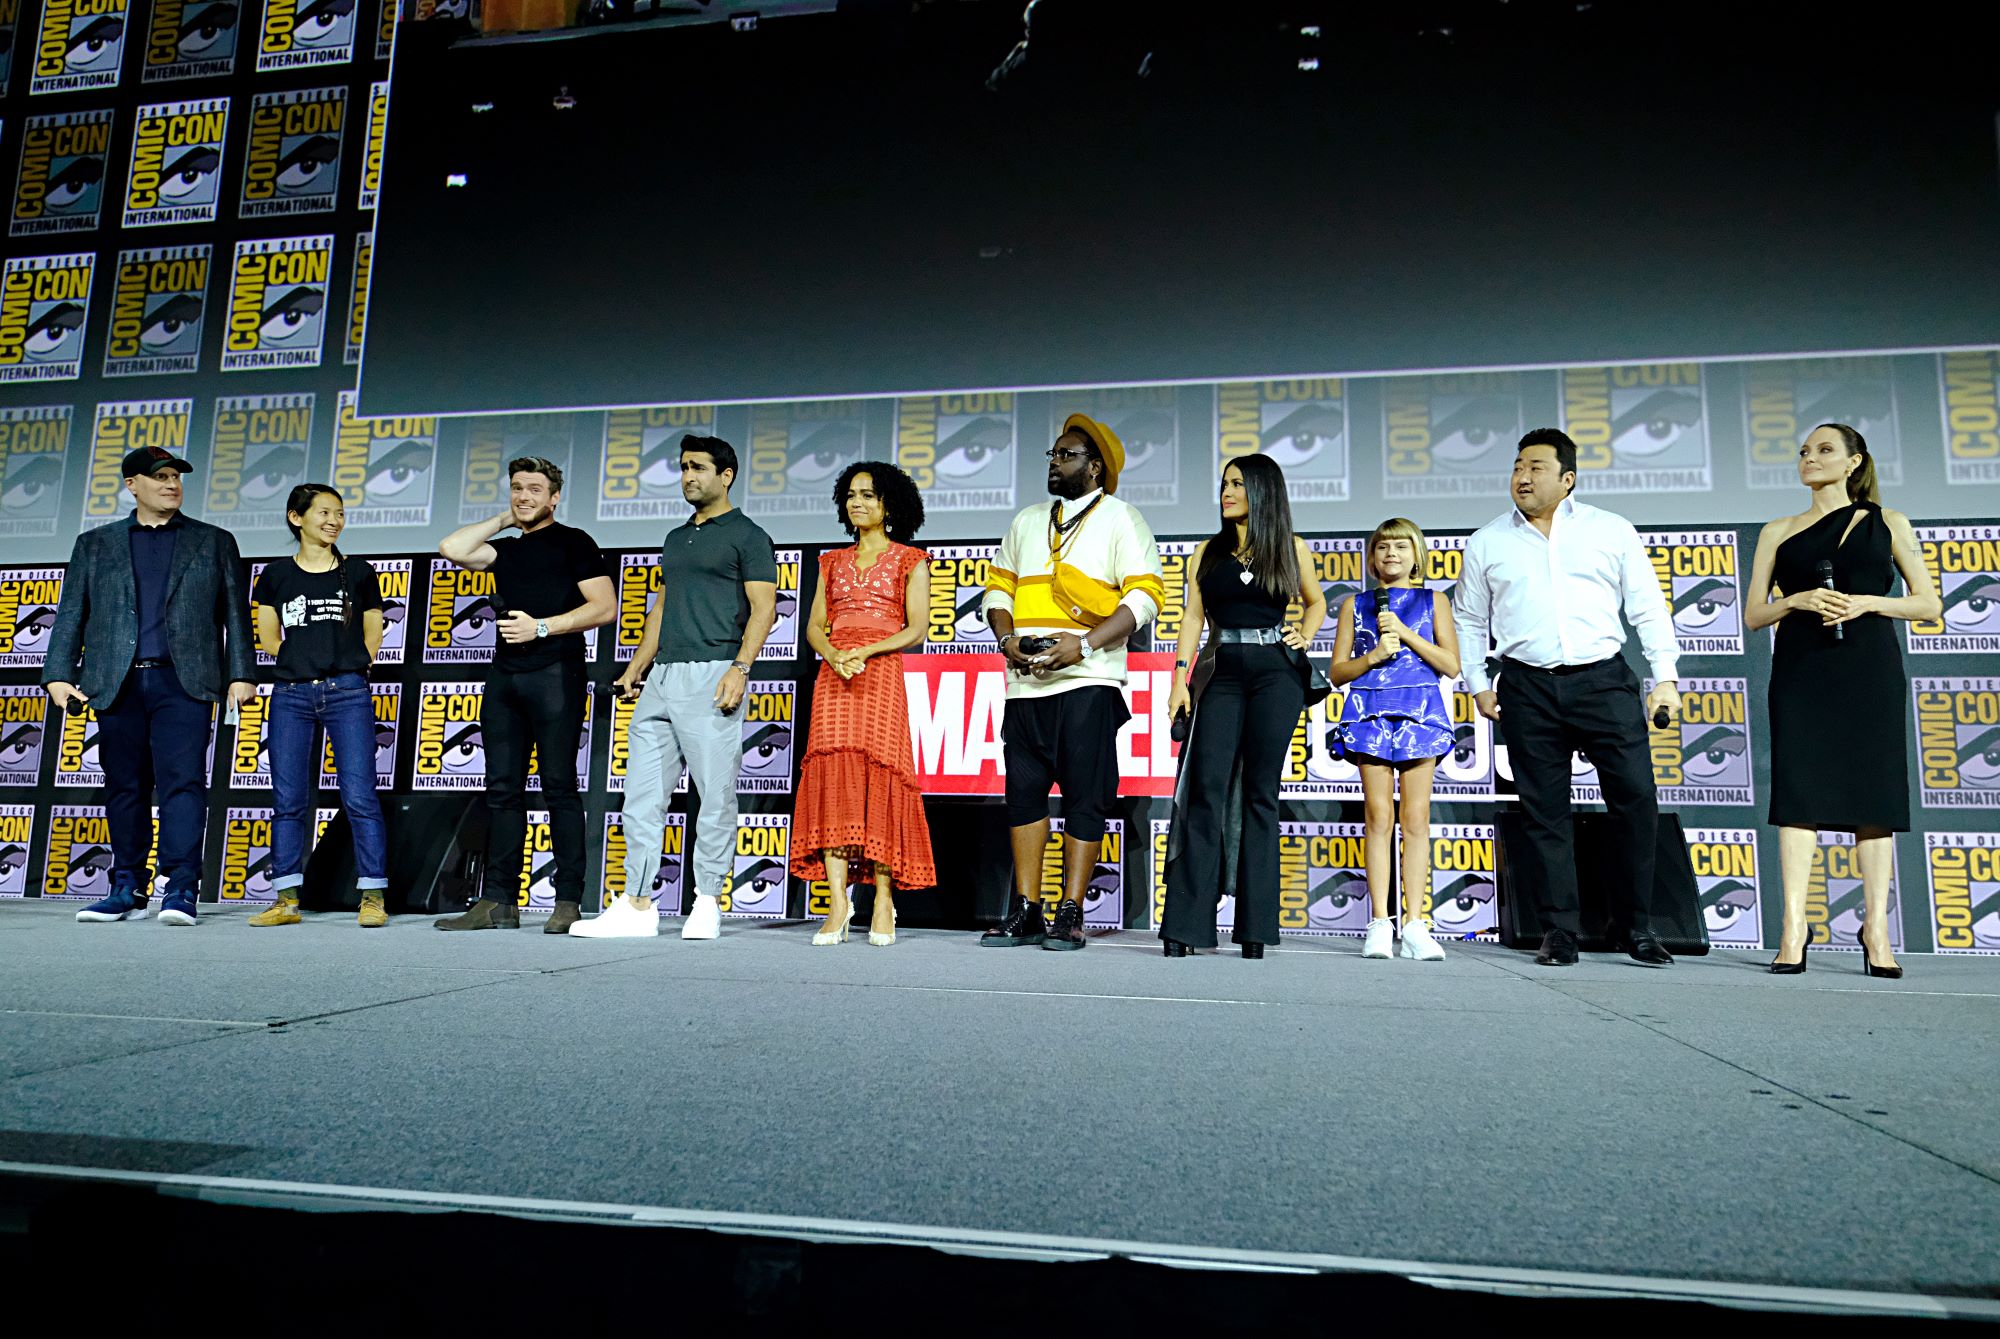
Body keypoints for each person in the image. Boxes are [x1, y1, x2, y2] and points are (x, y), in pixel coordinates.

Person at [1455, 428, 1682, 968]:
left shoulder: (1611, 530)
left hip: (1603, 680)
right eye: (1516, 467)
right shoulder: (1488, 541)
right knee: (1543, 813)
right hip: (1527, 685)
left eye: (1535, 467)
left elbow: (1647, 606)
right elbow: (1467, 619)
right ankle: (1558, 930)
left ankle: (1637, 927)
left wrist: (1665, 677)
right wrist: (1478, 684)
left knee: (1634, 799)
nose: (1523, 477)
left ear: (1568, 478)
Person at [1745, 423, 1937, 978]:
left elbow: (1927, 604)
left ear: (1854, 461)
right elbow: (1754, 615)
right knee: (1799, 797)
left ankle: (1875, 927)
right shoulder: (1777, 530)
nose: (1810, 457)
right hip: (1803, 672)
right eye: (1804, 450)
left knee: (1873, 799)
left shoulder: (1888, 523)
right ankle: (1793, 927)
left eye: (1824, 450)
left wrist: (1866, 604)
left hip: (1868, 672)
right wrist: (1797, 598)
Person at [571, 436, 778, 940]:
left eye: (698, 467)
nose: (688, 476)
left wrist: (741, 667)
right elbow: (660, 610)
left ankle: (706, 899)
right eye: (683, 467)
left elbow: (764, 609)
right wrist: (635, 669)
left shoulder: (748, 536)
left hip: (714, 673)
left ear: (725, 475)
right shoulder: (675, 537)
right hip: (662, 677)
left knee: (715, 795)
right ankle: (639, 904)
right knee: (640, 798)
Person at [42, 445, 257, 926]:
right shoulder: (94, 544)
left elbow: (236, 616)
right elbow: (71, 613)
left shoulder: (214, 541)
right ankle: (125, 887)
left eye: (176, 477)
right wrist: (58, 673)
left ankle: (180, 888)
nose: (171, 484)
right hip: (115, 682)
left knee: (183, 784)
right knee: (124, 787)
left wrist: (241, 673)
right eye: (159, 476)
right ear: (131, 484)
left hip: (185, 682)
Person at [980, 413, 1165, 952]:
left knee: (1086, 798)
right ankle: (1028, 909)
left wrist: (1081, 645)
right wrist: (1007, 639)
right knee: (1023, 798)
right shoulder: (1027, 520)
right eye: (1053, 455)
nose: (1055, 463)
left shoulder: (1122, 519)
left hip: (1090, 679)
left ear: (1096, 467)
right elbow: (998, 591)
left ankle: (1070, 912)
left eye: (1066, 455)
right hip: (1024, 684)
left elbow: (1144, 599)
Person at [434, 457, 616, 934]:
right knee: (502, 791)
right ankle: (498, 901)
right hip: (505, 676)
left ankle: (569, 900)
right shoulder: (507, 550)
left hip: (555, 673)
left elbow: (605, 607)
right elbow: (450, 546)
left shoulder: (575, 542)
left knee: (558, 787)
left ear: (554, 498)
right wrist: (503, 519)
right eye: (517, 488)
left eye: (535, 489)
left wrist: (541, 627)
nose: (524, 496)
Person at [1159, 454, 1325, 958]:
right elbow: (1192, 618)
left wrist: (1305, 634)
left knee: (1260, 794)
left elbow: (1315, 602)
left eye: (1237, 484)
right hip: (1221, 671)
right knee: (1206, 790)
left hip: (1277, 673)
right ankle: (1186, 928)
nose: (1226, 491)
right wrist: (1178, 678)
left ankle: (1255, 930)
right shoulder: (1205, 553)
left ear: (1262, 491)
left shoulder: (1291, 549)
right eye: (1224, 483)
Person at [788, 461, 937, 946]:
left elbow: (916, 629)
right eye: (851, 495)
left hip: (880, 673)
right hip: (834, 677)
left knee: (881, 776)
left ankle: (884, 901)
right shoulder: (829, 562)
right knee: (832, 778)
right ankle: (836, 904)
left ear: (890, 504)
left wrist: (864, 652)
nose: (858, 503)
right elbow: (813, 626)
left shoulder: (910, 559)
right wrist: (833, 654)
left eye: (869, 495)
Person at [246, 486, 391, 928]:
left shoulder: (360, 573)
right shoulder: (274, 575)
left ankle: (372, 897)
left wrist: (351, 666)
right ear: (297, 517)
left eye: (340, 513)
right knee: (288, 798)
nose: (334, 520)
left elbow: (372, 635)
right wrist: (298, 661)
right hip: (291, 695)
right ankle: (286, 900)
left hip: (347, 693)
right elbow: (268, 636)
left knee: (360, 795)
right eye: (324, 512)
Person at [1327, 517, 1460, 962]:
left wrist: (1405, 635)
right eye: (1383, 547)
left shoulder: (1433, 601)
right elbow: (1337, 672)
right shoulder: (1355, 605)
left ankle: (1417, 923)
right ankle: (1380, 923)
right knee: (1379, 816)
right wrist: (1373, 656)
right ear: (1371, 557)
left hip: (1421, 712)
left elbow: (1451, 665)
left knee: (1417, 817)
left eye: (1401, 547)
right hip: (1369, 712)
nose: (1391, 555)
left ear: (1416, 554)